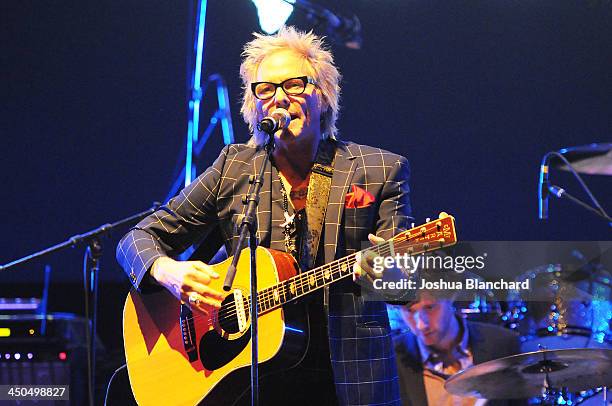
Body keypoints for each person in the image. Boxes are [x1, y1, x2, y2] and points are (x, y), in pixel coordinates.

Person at [117, 26, 412, 405]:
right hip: (253, 383)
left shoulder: (379, 169)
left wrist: (391, 275)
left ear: (323, 96)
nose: (279, 99)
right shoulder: (234, 167)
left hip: (351, 381)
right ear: (253, 106)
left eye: (294, 85)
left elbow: (404, 286)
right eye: (265, 89)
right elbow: (137, 240)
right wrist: (169, 273)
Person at [393, 272, 524, 406]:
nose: (421, 324)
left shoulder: (503, 343)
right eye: (410, 311)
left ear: (451, 297)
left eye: (430, 307)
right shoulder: (392, 356)